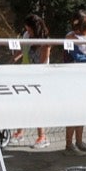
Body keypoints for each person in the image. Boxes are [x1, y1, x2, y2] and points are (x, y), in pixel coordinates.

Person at [63, 10, 86, 153]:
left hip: (85, 77)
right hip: (73, 78)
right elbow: (77, 56)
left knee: (83, 110)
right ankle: (69, 144)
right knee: (73, 110)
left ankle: (79, 141)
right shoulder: (70, 37)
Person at [16, 13, 52, 148]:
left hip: (39, 77)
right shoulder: (26, 36)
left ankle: (42, 137)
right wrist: (14, 60)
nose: (28, 32)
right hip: (25, 74)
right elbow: (23, 52)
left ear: (36, 29)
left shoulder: (45, 42)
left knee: (37, 106)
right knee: (22, 103)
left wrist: (35, 76)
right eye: (27, 29)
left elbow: (43, 62)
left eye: (30, 30)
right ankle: (19, 132)